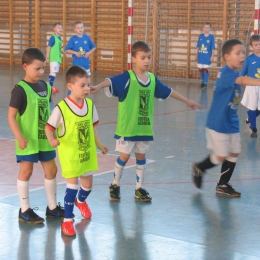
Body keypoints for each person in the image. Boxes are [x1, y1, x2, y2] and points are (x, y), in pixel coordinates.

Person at [90, 40, 201, 203]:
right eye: (143, 57)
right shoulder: (127, 78)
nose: (147, 61)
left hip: (144, 128)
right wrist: (98, 86)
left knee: (141, 157)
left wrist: (187, 101)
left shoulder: (152, 80)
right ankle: (114, 184)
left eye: (149, 57)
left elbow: (169, 91)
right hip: (127, 128)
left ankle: (139, 188)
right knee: (125, 156)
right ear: (133, 59)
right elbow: (110, 81)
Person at [45, 65, 109, 237]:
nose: (87, 88)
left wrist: (100, 145)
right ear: (70, 86)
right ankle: (67, 221)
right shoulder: (61, 108)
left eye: (88, 85)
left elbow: (92, 128)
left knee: (87, 186)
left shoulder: (89, 105)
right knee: (72, 185)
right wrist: (51, 139)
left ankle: (80, 201)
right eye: (82, 85)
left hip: (86, 153)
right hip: (70, 155)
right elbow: (48, 127)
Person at [192, 39, 260, 197]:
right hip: (218, 122)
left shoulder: (235, 72)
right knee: (221, 155)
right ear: (227, 56)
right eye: (238, 53)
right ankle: (200, 167)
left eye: (243, 52)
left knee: (235, 152)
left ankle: (222, 185)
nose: (242, 56)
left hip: (232, 121)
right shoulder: (225, 72)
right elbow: (243, 80)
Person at [7, 47, 65, 225]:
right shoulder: (20, 89)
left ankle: (52, 207)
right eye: (37, 68)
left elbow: (51, 110)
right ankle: (24, 210)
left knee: (52, 170)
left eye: (43, 68)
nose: (41, 72)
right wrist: (19, 137)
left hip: (45, 138)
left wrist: (59, 129)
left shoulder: (46, 87)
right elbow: (11, 116)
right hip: (28, 140)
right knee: (26, 171)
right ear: (25, 66)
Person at [64, 20, 96, 95]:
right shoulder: (73, 39)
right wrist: (75, 52)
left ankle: (81, 96)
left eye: (81, 27)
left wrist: (89, 53)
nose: (80, 29)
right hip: (76, 65)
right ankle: (69, 96)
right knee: (74, 82)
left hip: (86, 65)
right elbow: (66, 50)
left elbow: (94, 47)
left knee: (85, 82)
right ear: (74, 29)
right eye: (78, 28)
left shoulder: (87, 38)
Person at [240, 34, 260, 137]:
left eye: (259, 44)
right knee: (252, 107)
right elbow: (242, 73)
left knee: (258, 109)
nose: (259, 46)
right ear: (252, 46)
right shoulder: (249, 59)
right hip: (252, 87)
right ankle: (254, 129)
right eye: (256, 45)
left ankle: (249, 119)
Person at [196, 22, 215, 90]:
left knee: (205, 69)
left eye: (208, 27)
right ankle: (202, 81)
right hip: (201, 56)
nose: (206, 29)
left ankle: (205, 83)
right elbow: (198, 47)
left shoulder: (211, 37)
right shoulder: (200, 36)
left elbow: (212, 48)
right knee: (201, 69)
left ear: (210, 29)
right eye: (205, 27)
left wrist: (212, 56)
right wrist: (196, 55)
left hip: (207, 56)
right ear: (203, 28)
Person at [46, 22, 63, 93]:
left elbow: (59, 48)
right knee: (53, 72)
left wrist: (63, 52)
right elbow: (48, 47)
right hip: (53, 58)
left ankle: (50, 86)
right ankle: (50, 87)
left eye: (61, 28)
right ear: (54, 29)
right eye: (58, 28)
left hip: (57, 58)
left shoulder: (60, 38)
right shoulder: (53, 38)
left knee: (53, 73)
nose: (60, 29)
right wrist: (47, 57)